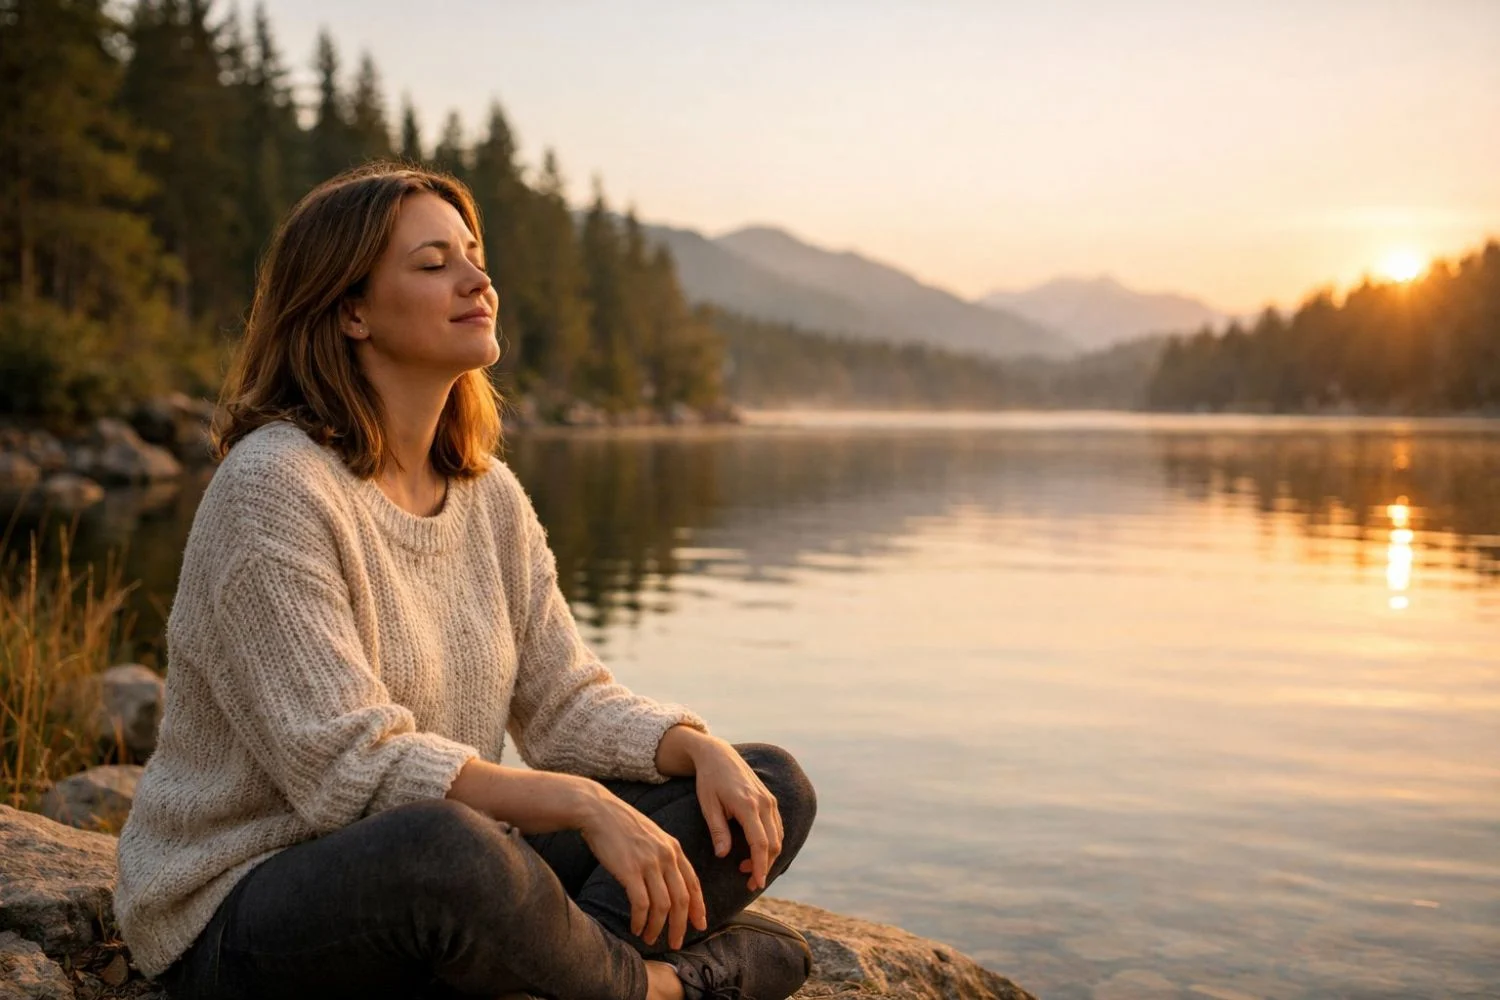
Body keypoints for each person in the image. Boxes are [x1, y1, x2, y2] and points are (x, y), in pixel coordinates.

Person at [112, 162, 818, 1000]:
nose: (478, 280)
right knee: (450, 852)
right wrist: (584, 807)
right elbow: (347, 768)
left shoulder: (488, 495)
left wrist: (699, 748)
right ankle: (656, 989)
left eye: (474, 255)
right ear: (350, 311)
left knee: (763, 786)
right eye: (433, 262)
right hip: (243, 906)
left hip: (436, 871)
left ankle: (563, 972)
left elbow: (564, 703)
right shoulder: (274, 488)